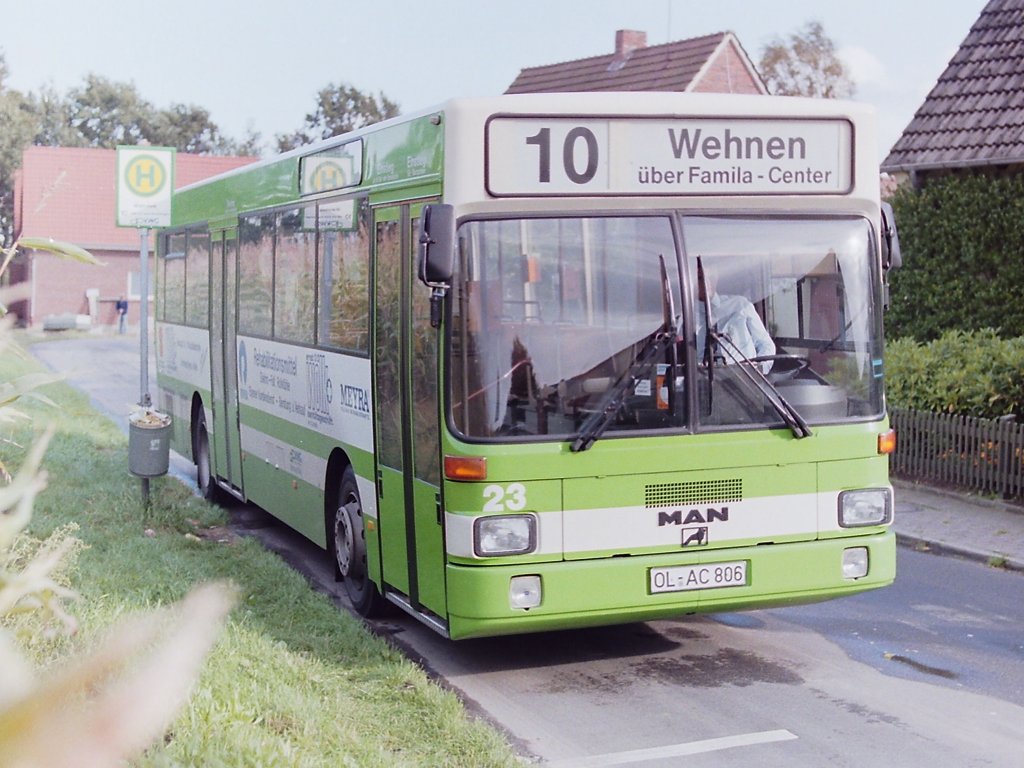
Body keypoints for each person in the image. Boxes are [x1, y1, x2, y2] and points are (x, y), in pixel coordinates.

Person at [694, 262, 775, 373]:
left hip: (744, 381)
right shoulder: (686, 318)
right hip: (702, 382)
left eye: (711, 277)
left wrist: (759, 370)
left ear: (716, 278)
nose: (706, 282)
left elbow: (765, 344)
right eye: (700, 278)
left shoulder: (741, 305)